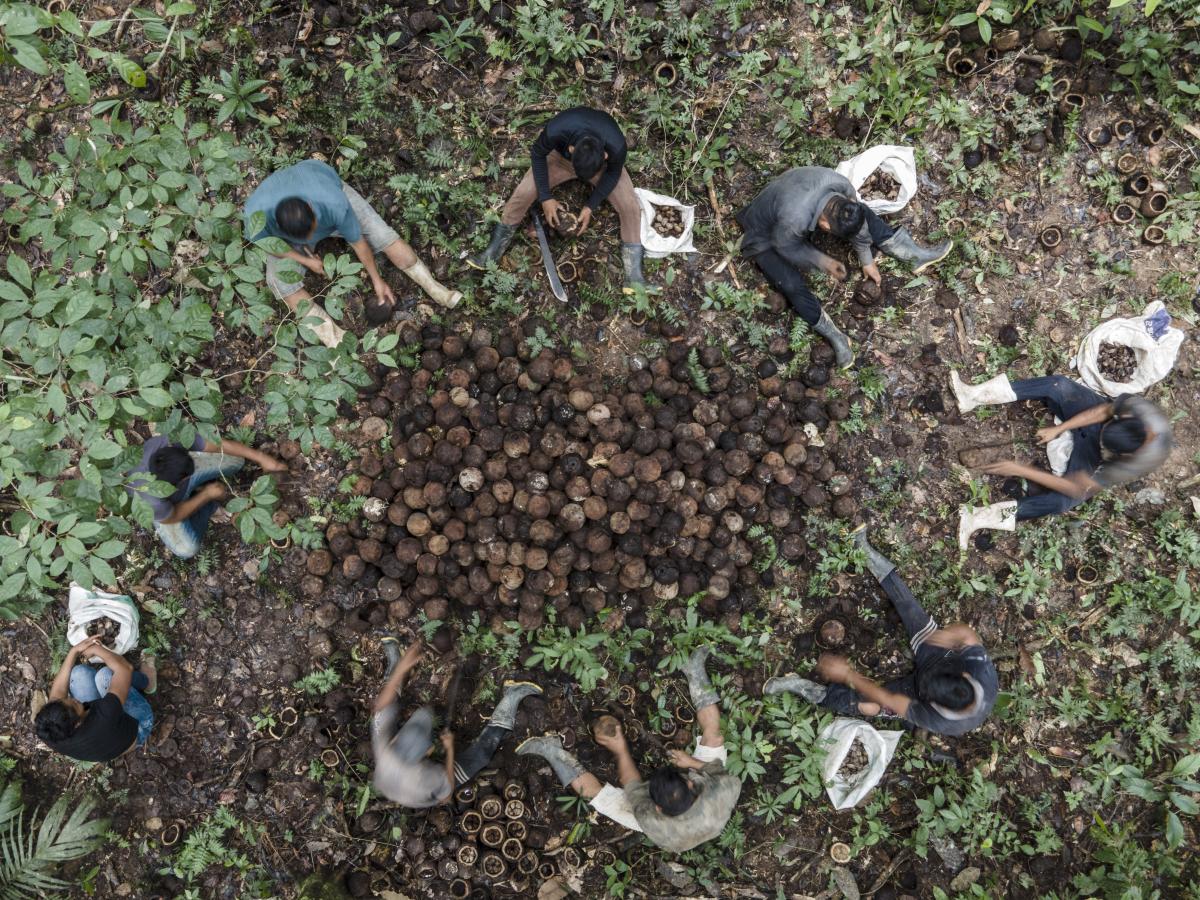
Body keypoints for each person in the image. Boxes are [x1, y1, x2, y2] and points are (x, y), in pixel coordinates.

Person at [765, 525, 998, 737]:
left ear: (937, 704)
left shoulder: (938, 720)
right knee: (912, 611)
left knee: (866, 705)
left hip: (912, 693)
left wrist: (848, 675)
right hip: (940, 657)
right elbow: (967, 634)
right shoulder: (982, 674)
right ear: (965, 676)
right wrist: (942, 637)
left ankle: (801, 687)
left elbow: (888, 699)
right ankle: (865, 551)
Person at [516, 647, 741, 852]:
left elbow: (631, 784)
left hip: (675, 833)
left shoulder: (653, 819)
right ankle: (693, 669)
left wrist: (621, 749)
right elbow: (715, 769)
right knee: (715, 736)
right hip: (703, 797)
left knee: (602, 800)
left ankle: (552, 750)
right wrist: (691, 762)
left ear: (658, 807)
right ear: (691, 782)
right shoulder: (722, 789)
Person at [736, 166, 953, 367]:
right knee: (791, 284)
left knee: (862, 213)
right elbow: (786, 247)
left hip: (797, 200)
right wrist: (823, 262)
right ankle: (832, 334)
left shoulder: (841, 185)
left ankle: (913, 255)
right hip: (764, 234)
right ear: (824, 225)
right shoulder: (796, 218)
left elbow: (857, 221)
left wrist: (866, 261)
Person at [245, 159, 461, 347]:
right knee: (280, 284)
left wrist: (377, 280)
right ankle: (335, 340)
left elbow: (358, 242)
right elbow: (268, 244)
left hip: (328, 190)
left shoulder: (333, 201)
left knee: (380, 233)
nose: (311, 239)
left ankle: (435, 288)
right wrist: (304, 259)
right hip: (290, 231)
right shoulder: (257, 215)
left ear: (311, 208)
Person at [950, 372, 1173, 549]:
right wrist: (1060, 428)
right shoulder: (1139, 411)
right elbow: (1102, 412)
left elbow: (1076, 487)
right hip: (1095, 421)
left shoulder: (1135, 464)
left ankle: (977, 518)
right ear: (1125, 419)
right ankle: (972, 396)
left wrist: (1021, 470)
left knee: (1062, 502)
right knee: (1058, 386)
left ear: (1125, 456)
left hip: (1093, 457)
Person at [467, 106, 652, 293]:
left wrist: (590, 206)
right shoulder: (558, 129)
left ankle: (634, 276)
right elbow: (538, 154)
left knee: (630, 207)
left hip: (600, 169)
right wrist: (546, 197)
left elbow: (612, 175)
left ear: (605, 155)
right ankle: (493, 251)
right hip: (560, 161)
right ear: (570, 149)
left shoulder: (617, 146)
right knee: (523, 193)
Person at [371, 639, 542, 808]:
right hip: (431, 785)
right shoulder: (426, 781)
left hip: (400, 766)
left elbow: (382, 705)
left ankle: (396, 663)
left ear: (395, 739)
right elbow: (446, 795)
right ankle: (513, 695)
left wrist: (402, 669)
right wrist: (450, 749)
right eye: (429, 747)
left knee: (382, 712)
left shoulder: (385, 753)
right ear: (428, 752)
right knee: (480, 756)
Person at [127, 431, 286, 559]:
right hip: (167, 509)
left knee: (237, 460)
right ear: (176, 483)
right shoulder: (150, 501)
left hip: (176, 475)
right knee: (186, 549)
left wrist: (262, 458)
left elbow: (218, 444)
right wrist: (206, 495)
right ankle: (209, 509)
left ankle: (198, 489)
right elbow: (172, 516)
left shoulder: (165, 444)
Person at [35, 635, 157, 762]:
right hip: (138, 728)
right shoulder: (105, 715)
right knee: (105, 676)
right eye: (75, 704)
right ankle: (146, 682)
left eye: (65, 700)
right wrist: (96, 649)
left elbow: (57, 693)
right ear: (78, 723)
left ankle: (110, 694)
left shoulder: (49, 731)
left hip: (104, 740)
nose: (73, 699)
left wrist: (74, 651)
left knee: (78, 673)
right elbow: (125, 669)